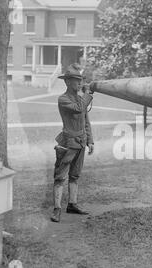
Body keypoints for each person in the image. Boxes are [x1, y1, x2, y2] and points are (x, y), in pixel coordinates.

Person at [50, 64, 95, 223]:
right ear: (67, 82)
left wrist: (90, 140)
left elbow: (85, 121)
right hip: (67, 143)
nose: (80, 83)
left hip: (81, 142)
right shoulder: (63, 99)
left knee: (75, 176)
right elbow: (78, 109)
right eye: (76, 81)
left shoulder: (80, 99)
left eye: (80, 80)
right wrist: (87, 94)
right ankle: (57, 209)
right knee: (60, 177)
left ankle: (72, 204)